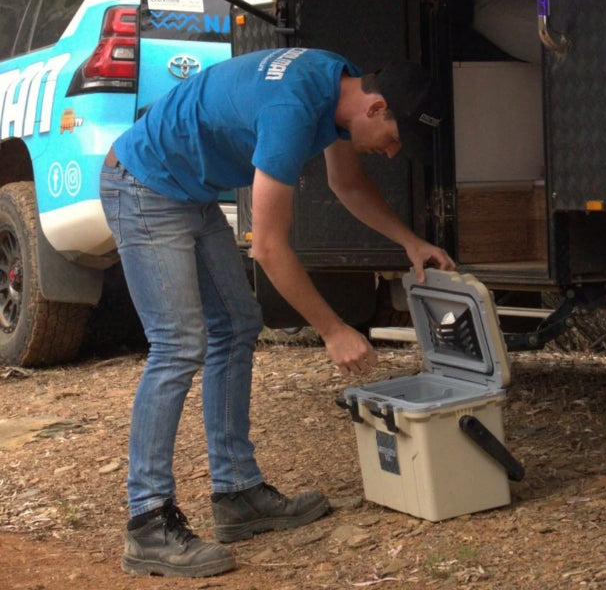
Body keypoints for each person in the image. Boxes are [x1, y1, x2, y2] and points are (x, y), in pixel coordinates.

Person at [99, 47, 456, 578]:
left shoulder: (339, 83)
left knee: (238, 325)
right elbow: (267, 247)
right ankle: (148, 522)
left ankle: (237, 493)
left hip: (185, 191)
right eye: (395, 140)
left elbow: (348, 185)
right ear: (377, 108)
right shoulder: (293, 109)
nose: (390, 153)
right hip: (143, 185)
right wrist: (333, 331)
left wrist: (409, 242)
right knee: (178, 344)